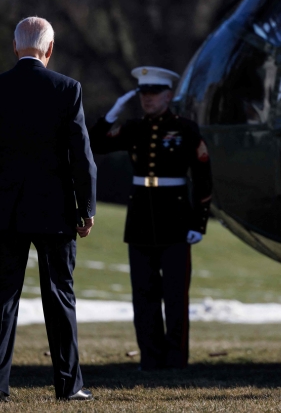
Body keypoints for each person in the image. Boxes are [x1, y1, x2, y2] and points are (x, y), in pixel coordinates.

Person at [0, 16, 96, 403]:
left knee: (3, 297)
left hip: (6, 210)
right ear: (49, 49)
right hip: (55, 212)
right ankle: (68, 385)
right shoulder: (67, 89)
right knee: (59, 296)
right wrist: (86, 208)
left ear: (14, 46)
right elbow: (81, 158)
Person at [89, 67, 212, 370]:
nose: (148, 99)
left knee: (174, 295)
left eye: (154, 94)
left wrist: (199, 222)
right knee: (143, 294)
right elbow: (96, 144)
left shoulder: (185, 129)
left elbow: (203, 177)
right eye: (143, 94)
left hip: (176, 218)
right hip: (142, 217)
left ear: (168, 95)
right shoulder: (133, 128)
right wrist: (111, 114)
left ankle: (176, 358)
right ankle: (150, 357)